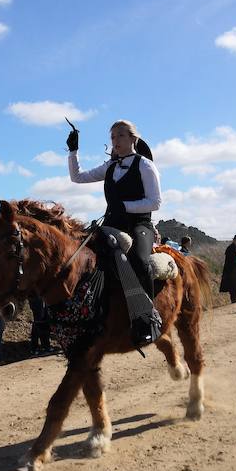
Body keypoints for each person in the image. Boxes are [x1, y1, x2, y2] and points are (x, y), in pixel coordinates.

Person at [67, 119, 162, 346]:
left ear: (132, 139)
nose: (115, 141)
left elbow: (155, 202)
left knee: (139, 261)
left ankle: (149, 317)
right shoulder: (110, 166)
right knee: (82, 259)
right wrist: (73, 151)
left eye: (120, 135)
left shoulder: (145, 165)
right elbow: (77, 177)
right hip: (111, 224)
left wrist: (126, 206)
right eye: (112, 137)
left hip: (139, 224)